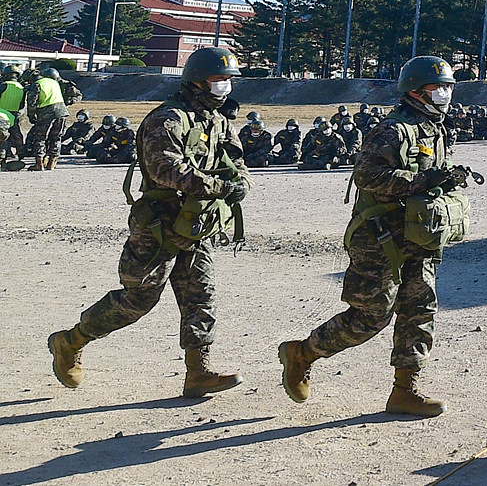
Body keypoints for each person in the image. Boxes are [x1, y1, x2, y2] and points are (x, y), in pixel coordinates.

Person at [47, 46, 250, 398]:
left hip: (197, 226)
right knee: (136, 301)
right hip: (159, 227)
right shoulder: (167, 119)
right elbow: (165, 169)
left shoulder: (217, 121)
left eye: (229, 80)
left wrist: (241, 183)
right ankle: (70, 341)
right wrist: (219, 187)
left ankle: (197, 372)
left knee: (200, 298)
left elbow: (235, 161)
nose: (225, 87)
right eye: (219, 80)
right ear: (198, 81)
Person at [278, 56, 464, 417]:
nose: (444, 93)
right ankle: (302, 353)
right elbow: (367, 176)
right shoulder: (392, 130)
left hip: (418, 237)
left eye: (448, 87)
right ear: (414, 91)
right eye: (437, 87)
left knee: (419, 310)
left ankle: (404, 390)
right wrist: (421, 182)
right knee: (371, 315)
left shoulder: (437, 128)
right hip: (380, 237)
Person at [25, 68, 70, 171]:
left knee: (40, 138)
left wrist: (31, 117)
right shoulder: (54, 82)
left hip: (47, 113)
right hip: (62, 112)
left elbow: (31, 104)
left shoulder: (37, 84)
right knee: (56, 138)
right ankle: (51, 163)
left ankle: (39, 164)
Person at [0, 65, 27, 167]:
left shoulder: (3, 85)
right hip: (15, 114)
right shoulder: (21, 87)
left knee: (3, 136)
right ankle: (20, 153)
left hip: (2, 113)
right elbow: (22, 104)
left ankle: (4, 156)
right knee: (16, 134)